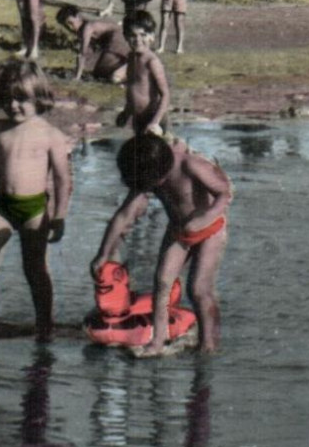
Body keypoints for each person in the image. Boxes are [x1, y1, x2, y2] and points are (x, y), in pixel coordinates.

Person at [0, 62, 74, 343]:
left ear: (39, 98)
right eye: (8, 99)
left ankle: (45, 325)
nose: (14, 105)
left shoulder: (50, 135)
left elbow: (62, 180)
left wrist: (59, 216)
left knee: (34, 269)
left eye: (21, 99)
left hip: (34, 208)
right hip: (2, 206)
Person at [91, 133, 233, 357]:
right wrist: (103, 253)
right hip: (178, 229)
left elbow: (225, 193)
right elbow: (124, 215)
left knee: (198, 289)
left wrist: (205, 217)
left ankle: (209, 343)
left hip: (210, 229)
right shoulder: (147, 171)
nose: (151, 189)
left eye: (151, 185)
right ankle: (157, 342)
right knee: (162, 283)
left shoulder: (190, 165)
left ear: (161, 171)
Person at [117, 10, 170, 135]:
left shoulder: (152, 62)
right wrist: (126, 112)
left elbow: (165, 94)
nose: (138, 39)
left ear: (151, 36)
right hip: (138, 117)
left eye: (143, 35)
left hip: (153, 118)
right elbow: (133, 88)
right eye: (132, 35)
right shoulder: (131, 58)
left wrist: (155, 122)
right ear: (125, 36)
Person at [58, 4, 131, 83]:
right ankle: (124, 68)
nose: (70, 28)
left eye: (71, 23)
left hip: (119, 37)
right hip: (113, 40)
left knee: (106, 69)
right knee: (98, 71)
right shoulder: (81, 27)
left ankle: (131, 67)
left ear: (78, 16)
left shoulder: (88, 28)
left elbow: (83, 54)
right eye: (66, 26)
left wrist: (77, 77)